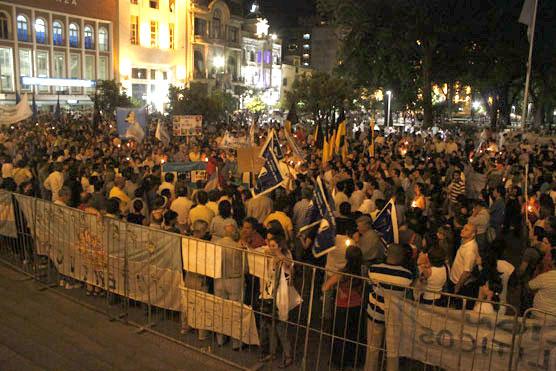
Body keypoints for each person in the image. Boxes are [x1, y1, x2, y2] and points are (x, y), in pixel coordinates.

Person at [365, 243, 414, 371]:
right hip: (395, 316)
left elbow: (370, 284)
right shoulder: (407, 276)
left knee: (372, 348)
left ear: (387, 254)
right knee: (393, 351)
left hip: (375, 313)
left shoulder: (374, 269)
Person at [322, 245, 365, 368]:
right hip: (357, 307)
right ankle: (354, 361)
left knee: (341, 336)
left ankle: (339, 361)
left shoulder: (342, 273)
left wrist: (337, 288)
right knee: (353, 336)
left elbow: (325, 287)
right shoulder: (363, 270)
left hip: (343, 307)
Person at [259, 236, 293, 368]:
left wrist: (279, 256)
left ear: (279, 247)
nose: (271, 248)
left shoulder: (284, 259)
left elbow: (290, 266)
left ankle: (288, 355)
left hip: (280, 297)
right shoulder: (271, 258)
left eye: (273, 246)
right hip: (269, 294)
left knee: (280, 327)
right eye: (270, 245)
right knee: (270, 325)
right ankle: (272, 353)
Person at [214, 223, 245, 350]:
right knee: (236, 312)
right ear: (235, 234)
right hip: (235, 281)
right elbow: (246, 268)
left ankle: (220, 339)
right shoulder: (238, 247)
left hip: (219, 280)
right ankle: (236, 342)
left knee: (220, 310)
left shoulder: (215, 244)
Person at [449, 223, 479, 305]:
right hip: (455, 279)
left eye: (466, 230)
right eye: (463, 228)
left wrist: (458, 286)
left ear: (473, 234)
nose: (462, 230)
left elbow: (467, 272)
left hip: (460, 284)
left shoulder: (470, 250)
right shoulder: (464, 241)